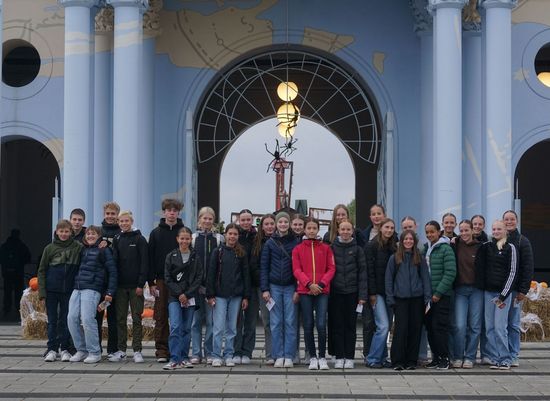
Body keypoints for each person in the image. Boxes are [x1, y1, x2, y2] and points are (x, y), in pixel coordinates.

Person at [67, 226, 117, 364]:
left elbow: (112, 272)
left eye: (93, 234)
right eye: (88, 234)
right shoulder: (82, 249)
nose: (90, 236)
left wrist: (110, 292)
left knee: (88, 319)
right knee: (71, 318)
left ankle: (94, 351)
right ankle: (81, 350)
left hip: (93, 288)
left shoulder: (104, 250)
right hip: (77, 288)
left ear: (99, 236)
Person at [292, 217, 335, 370]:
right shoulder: (297, 249)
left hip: (322, 291)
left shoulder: (326, 248)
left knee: (321, 324)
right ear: (305, 230)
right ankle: (313, 357)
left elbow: (331, 268)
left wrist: (321, 284)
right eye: (308, 228)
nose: (311, 231)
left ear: (318, 230)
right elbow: (297, 270)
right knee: (308, 324)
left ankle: (322, 357)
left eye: (314, 228)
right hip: (305, 291)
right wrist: (309, 284)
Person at [385, 230, 431, 371]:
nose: (408, 241)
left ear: (414, 241)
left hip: (417, 300)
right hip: (400, 299)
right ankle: (397, 361)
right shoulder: (395, 258)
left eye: (411, 239)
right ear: (402, 241)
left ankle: (411, 360)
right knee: (400, 330)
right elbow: (388, 279)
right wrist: (390, 298)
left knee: (415, 330)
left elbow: (425, 279)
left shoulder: (419, 258)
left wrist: (427, 299)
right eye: (406, 239)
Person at [38, 220, 83, 362]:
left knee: (65, 320)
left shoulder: (78, 247)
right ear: (56, 232)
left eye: (66, 231)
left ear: (71, 232)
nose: (63, 234)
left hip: (69, 291)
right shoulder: (49, 248)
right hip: (52, 290)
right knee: (52, 321)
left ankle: (65, 348)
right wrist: (42, 292)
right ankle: (52, 348)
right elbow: (42, 270)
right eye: (61, 231)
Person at [476, 220, 518, 370]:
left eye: (499, 229)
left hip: (503, 295)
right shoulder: (487, 246)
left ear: (505, 230)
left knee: (500, 327)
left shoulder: (510, 247)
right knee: (489, 328)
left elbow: (512, 273)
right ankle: (495, 358)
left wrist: (503, 295)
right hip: (488, 293)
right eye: (494, 229)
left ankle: (506, 358)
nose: (496, 232)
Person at [207, 224, 250, 367]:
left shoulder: (241, 253)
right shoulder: (217, 252)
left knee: (232, 327)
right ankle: (216, 355)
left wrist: (246, 296)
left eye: (235, 234)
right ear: (225, 235)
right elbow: (211, 274)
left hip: (236, 295)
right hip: (219, 295)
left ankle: (229, 355)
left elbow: (246, 275)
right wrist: (210, 294)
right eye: (230, 233)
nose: (232, 237)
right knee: (218, 327)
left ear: (238, 237)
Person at [109, 211, 149, 363]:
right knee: (120, 319)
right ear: (118, 223)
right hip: (120, 287)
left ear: (131, 221)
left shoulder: (140, 239)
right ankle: (121, 350)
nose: (124, 223)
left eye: (126, 221)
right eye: (121, 221)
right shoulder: (117, 238)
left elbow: (144, 263)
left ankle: (137, 350)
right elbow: (114, 261)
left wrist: (141, 284)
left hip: (135, 287)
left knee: (137, 318)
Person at [261, 211, 300, 368]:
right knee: (276, 322)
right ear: (276, 224)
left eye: (285, 222)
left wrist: (298, 288)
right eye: (280, 222)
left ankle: (289, 355)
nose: (283, 224)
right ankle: (278, 355)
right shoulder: (269, 243)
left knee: (290, 321)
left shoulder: (296, 242)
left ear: (289, 224)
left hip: (291, 286)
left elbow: (299, 267)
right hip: (274, 286)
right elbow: (264, 267)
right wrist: (265, 289)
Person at [148, 198, 185, 363]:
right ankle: (162, 350)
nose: (171, 213)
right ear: (164, 212)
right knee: (161, 315)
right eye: (168, 210)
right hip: (161, 280)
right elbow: (150, 258)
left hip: (180, 281)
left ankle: (179, 349)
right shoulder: (156, 233)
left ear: (178, 212)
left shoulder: (184, 233)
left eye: (174, 210)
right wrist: (151, 282)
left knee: (179, 317)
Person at [163, 227, 202, 370]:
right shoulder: (171, 256)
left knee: (187, 328)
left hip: (190, 297)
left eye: (187, 238)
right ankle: (174, 358)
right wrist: (180, 294)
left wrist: (188, 294)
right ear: (177, 239)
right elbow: (167, 278)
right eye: (182, 238)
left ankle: (184, 357)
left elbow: (199, 277)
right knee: (175, 326)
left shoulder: (195, 257)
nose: (184, 241)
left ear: (191, 239)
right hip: (175, 297)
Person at [330, 219, 367, 369]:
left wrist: (362, 296)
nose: (345, 232)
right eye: (342, 229)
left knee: (350, 327)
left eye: (348, 229)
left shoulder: (358, 249)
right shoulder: (332, 248)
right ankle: (339, 357)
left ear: (352, 231)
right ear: (338, 230)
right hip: (336, 293)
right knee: (337, 326)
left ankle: (350, 357)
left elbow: (363, 274)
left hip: (353, 293)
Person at [190, 206, 224, 364]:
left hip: (212, 288)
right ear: (199, 220)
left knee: (211, 322)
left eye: (210, 218)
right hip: (196, 288)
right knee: (196, 321)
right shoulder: (193, 238)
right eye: (204, 218)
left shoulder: (219, 239)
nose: (207, 221)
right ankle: (196, 353)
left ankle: (209, 351)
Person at [424, 220, 456, 370]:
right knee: (430, 327)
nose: (430, 234)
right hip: (428, 297)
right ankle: (435, 358)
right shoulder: (426, 249)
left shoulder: (445, 249)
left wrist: (438, 292)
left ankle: (445, 358)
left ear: (439, 232)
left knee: (439, 327)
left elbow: (450, 273)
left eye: (432, 231)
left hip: (442, 296)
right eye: (427, 232)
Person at [450, 220, 483, 369]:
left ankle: (470, 357)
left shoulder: (480, 247)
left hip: (476, 290)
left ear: (472, 230)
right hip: (460, 291)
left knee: (474, 326)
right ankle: (458, 356)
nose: (464, 233)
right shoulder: (455, 244)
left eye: (466, 230)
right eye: (461, 230)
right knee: (459, 325)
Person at [503, 210, 534, 367]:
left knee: (513, 324)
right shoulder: (498, 240)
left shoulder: (523, 241)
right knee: (501, 325)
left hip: (516, 291)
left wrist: (523, 290)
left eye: (512, 219)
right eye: (506, 219)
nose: (509, 222)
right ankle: (503, 354)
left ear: (517, 221)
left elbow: (528, 268)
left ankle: (514, 354)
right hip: (502, 291)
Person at [365, 218, 397, 368]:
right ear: (380, 228)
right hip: (376, 292)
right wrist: (371, 293)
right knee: (383, 326)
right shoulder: (371, 246)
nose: (389, 230)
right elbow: (369, 272)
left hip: (390, 293)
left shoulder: (395, 247)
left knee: (386, 326)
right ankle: (372, 358)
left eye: (391, 228)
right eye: (386, 227)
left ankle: (383, 357)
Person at [400, 216, 429, 366]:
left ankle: (420, 356)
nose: (408, 230)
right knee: (402, 328)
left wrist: (426, 296)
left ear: (415, 226)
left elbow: (424, 275)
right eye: (405, 227)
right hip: (402, 296)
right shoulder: (397, 251)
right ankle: (402, 357)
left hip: (417, 296)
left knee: (418, 328)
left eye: (410, 226)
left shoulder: (422, 248)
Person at [249, 214, 276, 364]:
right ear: (262, 226)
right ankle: (270, 354)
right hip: (263, 287)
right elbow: (254, 266)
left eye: (272, 223)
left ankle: (282, 352)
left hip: (280, 286)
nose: (270, 226)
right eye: (267, 224)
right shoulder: (257, 242)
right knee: (267, 321)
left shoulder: (281, 240)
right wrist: (266, 281)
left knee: (280, 321)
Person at [96, 201, 121, 357]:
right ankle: (96, 348)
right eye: (108, 213)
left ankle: (113, 349)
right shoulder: (97, 232)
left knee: (113, 317)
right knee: (96, 316)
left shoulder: (121, 232)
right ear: (104, 214)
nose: (110, 216)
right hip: (99, 281)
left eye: (113, 213)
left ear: (117, 215)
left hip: (115, 280)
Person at [233, 209, 258, 365]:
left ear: (252, 220)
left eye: (248, 219)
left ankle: (247, 351)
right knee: (236, 321)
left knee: (251, 320)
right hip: (237, 284)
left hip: (254, 285)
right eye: (243, 220)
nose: (246, 222)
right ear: (238, 221)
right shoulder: (234, 237)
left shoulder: (257, 237)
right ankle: (236, 350)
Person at [0, 229, 30, 317]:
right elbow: (27, 257)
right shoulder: (21, 246)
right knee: (17, 293)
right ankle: (18, 310)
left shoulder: (5, 246)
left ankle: (7, 310)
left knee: (8, 293)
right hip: (17, 273)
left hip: (8, 273)